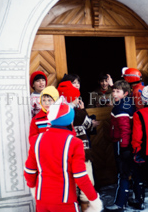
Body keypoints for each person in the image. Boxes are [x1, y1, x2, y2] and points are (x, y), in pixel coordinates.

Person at [24, 97, 103, 212]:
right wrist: (94, 200)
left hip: (42, 201)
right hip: (65, 202)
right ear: (70, 120)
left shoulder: (37, 140)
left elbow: (29, 171)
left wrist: (34, 188)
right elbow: (80, 176)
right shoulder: (75, 143)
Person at [57, 80, 100, 212]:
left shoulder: (58, 113)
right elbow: (88, 125)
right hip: (82, 152)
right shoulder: (79, 113)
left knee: (72, 183)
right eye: (76, 97)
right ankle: (86, 207)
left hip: (66, 153)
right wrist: (84, 111)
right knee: (87, 181)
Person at [105, 80, 136, 211]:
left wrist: (123, 147)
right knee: (128, 172)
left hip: (121, 143)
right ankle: (130, 196)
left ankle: (119, 203)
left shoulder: (120, 108)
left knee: (122, 173)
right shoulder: (128, 102)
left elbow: (125, 129)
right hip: (128, 143)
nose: (114, 93)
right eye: (113, 91)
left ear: (126, 93)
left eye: (118, 91)